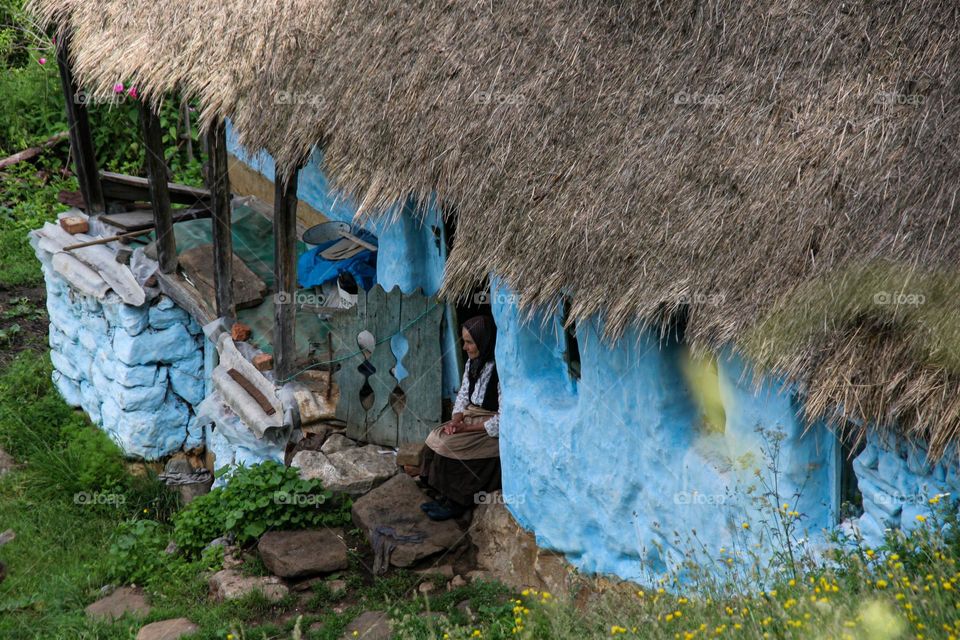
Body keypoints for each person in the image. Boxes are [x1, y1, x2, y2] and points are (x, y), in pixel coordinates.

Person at [419, 316, 501, 521]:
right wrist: (456, 420)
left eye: (469, 342)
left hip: (488, 425)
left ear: (483, 341)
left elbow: (504, 421)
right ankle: (444, 495)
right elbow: (463, 394)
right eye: (463, 341)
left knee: (450, 447)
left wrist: (467, 429)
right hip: (470, 416)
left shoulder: (501, 372)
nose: (464, 347)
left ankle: (457, 503)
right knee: (435, 437)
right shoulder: (472, 364)